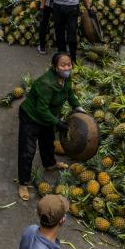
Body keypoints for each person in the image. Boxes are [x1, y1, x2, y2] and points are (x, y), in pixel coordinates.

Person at [17, 52, 82, 200]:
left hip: (47, 117)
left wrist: (77, 107)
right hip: (31, 117)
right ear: (55, 67)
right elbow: (41, 109)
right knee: (28, 150)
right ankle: (23, 183)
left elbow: (69, 93)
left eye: (69, 64)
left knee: (47, 141)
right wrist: (58, 123)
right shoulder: (46, 84)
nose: (67, 67)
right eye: (63, 65)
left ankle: (50, 163)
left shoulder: (66, 79)